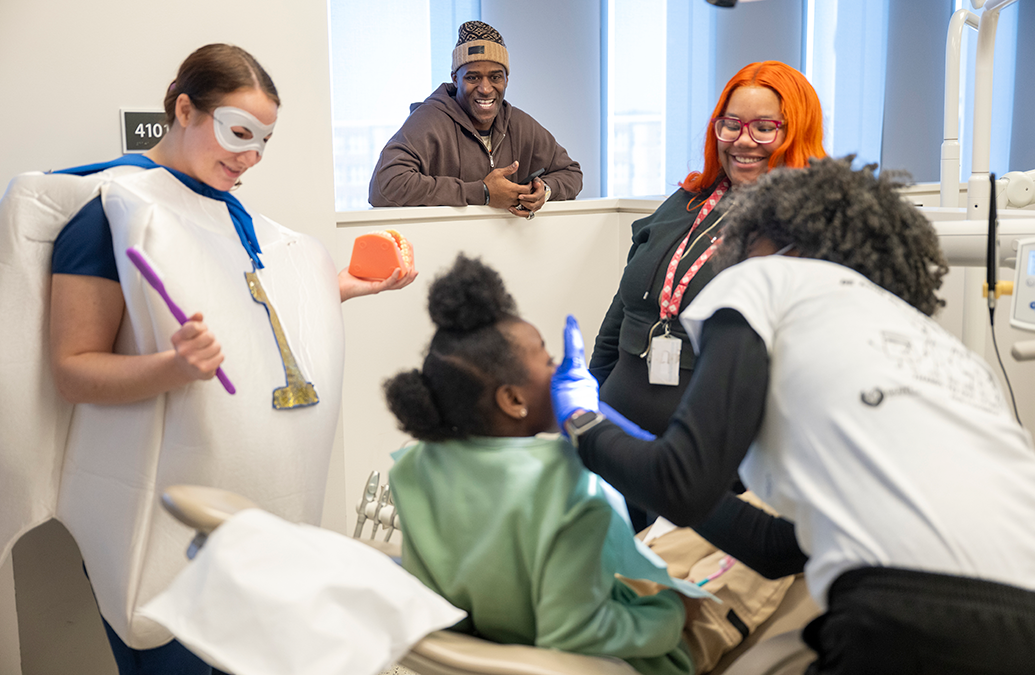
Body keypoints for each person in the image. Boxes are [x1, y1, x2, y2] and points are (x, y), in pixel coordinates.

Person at [2, 44, 415, 675]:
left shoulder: (224, 212)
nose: (250, 156)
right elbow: (74, 368)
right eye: (238, 132)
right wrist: (173, 368)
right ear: (184, 109)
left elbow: (248, 319)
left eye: (265, 140)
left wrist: (341, 288)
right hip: (166, 536)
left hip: (254, 531)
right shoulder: (110, 212)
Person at [553, 157, 1035, 674]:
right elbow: (777, 548)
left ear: (780, 240)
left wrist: (581, 419)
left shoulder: (769, 278)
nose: (732, 257)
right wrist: (622, 429)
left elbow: (680, 484)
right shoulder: (949, 354)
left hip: (903, 613)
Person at [384, 255, 717, 675]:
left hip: (480, 656)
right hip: (618, 662)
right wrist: (671, 613)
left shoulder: (414, 467)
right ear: (513, 400)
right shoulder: (567, 487)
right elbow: (576, 633)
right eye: (546, 361)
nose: (560, 369)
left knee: (680, 545)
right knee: (753, 574)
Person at [589, 60, 824, 463]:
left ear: (796, 132)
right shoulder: (686, 201)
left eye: (764, 127)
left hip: (703, 456)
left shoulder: (803, 229)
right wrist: (587, 399)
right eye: (730, 124)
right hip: (616, 429)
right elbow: (622, 310)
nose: (743, 141)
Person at [368, 21, 583, 218]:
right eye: (473, 77)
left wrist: (543, 190)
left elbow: (571, 173)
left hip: (508, 252)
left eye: (495, 77)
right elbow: (384, 186)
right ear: (455, 79)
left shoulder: (519, 124)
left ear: (506, 79)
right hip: (443, 252)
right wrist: (483, 192)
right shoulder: (428, 121)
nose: (485, 89)